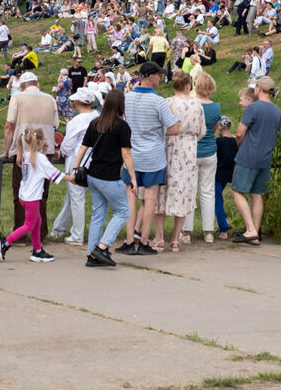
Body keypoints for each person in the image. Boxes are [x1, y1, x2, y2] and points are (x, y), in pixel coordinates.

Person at [118, 61, 179, 255]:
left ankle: (129, 240)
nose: (160, 79)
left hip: (131, 154)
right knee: (150, 199)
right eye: (159, 75)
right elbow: (174, 128)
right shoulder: (159, 101)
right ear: (151, 77)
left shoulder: (126, 98)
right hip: (153, 155)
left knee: (130, 198)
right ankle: (143, 241)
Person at [71, 89, 137, 267]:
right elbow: (126, 155)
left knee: (98, 214)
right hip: (109, 177)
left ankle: (92, 255)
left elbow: (83, 148)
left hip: (92, 175)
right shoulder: (122, 127)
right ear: (121, 105)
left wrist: (75, 169)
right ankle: (102, 246)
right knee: (123, 211)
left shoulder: (95, 123)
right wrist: (133, 178)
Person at [152, 71, 205, 251]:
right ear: (188, 86)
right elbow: (202, 130)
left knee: (162, 189)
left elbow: (161, 126)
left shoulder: (168, 102)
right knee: (183, 189)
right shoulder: (197, 105)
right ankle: (175, 239)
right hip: (189, 148)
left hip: (169, 147)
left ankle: (159, 237)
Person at [3, 70, 59, 240]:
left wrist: (7, 151)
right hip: (45, 151)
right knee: (41, 194)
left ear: (21, 86)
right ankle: (40, 233)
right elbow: (55, 125)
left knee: (21, 193)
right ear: (37, 83)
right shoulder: (50, 98)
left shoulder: (17, 98)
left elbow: (9, 127)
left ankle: (19, 232)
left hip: (23, 151)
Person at [0, 127, 65, 263]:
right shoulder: (38, 158)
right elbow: (54, 173)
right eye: (43, 139)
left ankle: (37, 250)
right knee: (28, 225)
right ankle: (6, 243)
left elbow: (40, 165)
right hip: (32, 198)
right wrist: (72, 177)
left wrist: (43, 150)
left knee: (37, 222)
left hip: (25, 195)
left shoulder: (27, 154)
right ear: (39, 141)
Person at [231, 76, 281, 246]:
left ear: (259, 88)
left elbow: (239, 133)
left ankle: (250, 229)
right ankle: (255, 232)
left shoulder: (253, 108)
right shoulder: (276, 111)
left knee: (237, 191)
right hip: (266, 156)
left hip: (249, 154)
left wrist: (240, 146)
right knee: (256, 194)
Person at [50, 89, 100, 246]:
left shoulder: (76, 122)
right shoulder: (98, 116)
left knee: (76, 198)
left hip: (77, 161)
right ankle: (58, 229)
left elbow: (68, 144)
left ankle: (77, 235)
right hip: (94, 159)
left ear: (79, 103)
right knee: (72, 198)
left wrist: (61, 152)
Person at [182, 72, 221, 243]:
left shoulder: (190, 104)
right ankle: (209, 232)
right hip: (210, 151)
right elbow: (213, 129)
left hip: (192, 151)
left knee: (190, 191)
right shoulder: (216, 107)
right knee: (208, 191)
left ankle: (186, 232)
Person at [213, 116, 238, 241]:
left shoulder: (219, 142)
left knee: (216, 198)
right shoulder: (236, 140)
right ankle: (225, 221)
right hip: (233, 172)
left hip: (220, 173)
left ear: (220, 127)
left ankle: (223, 228)